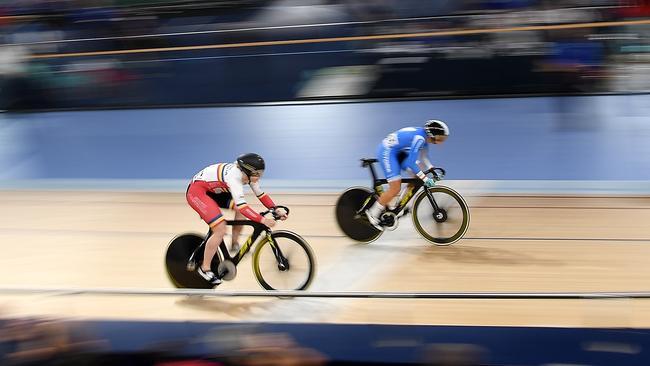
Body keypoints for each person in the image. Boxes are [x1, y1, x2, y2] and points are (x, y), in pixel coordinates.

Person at [186, 153, 288, 285]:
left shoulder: (249, 176)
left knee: (239, 211)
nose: (258, 177)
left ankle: (234, 244)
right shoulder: (234, 177)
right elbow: (244, 207)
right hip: (198, 192)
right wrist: (262, 220)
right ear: (247, 171)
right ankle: (204, 268)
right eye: (257, 173)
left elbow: (261, 195)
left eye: (260, 174)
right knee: (220, 229)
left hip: (215, 191)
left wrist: (275, 208)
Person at [366, 120, 449, 230]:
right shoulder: (420, 139)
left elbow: (424, 157)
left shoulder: (425, 138)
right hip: (387, 151)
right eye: (441, 138)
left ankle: (398, 206)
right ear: (432, 135)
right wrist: (425, 178)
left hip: (398, 151)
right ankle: (372, 213)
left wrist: (431, 168)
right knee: (395, 187)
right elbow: (411, 162)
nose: (442, 141)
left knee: (416, 176)